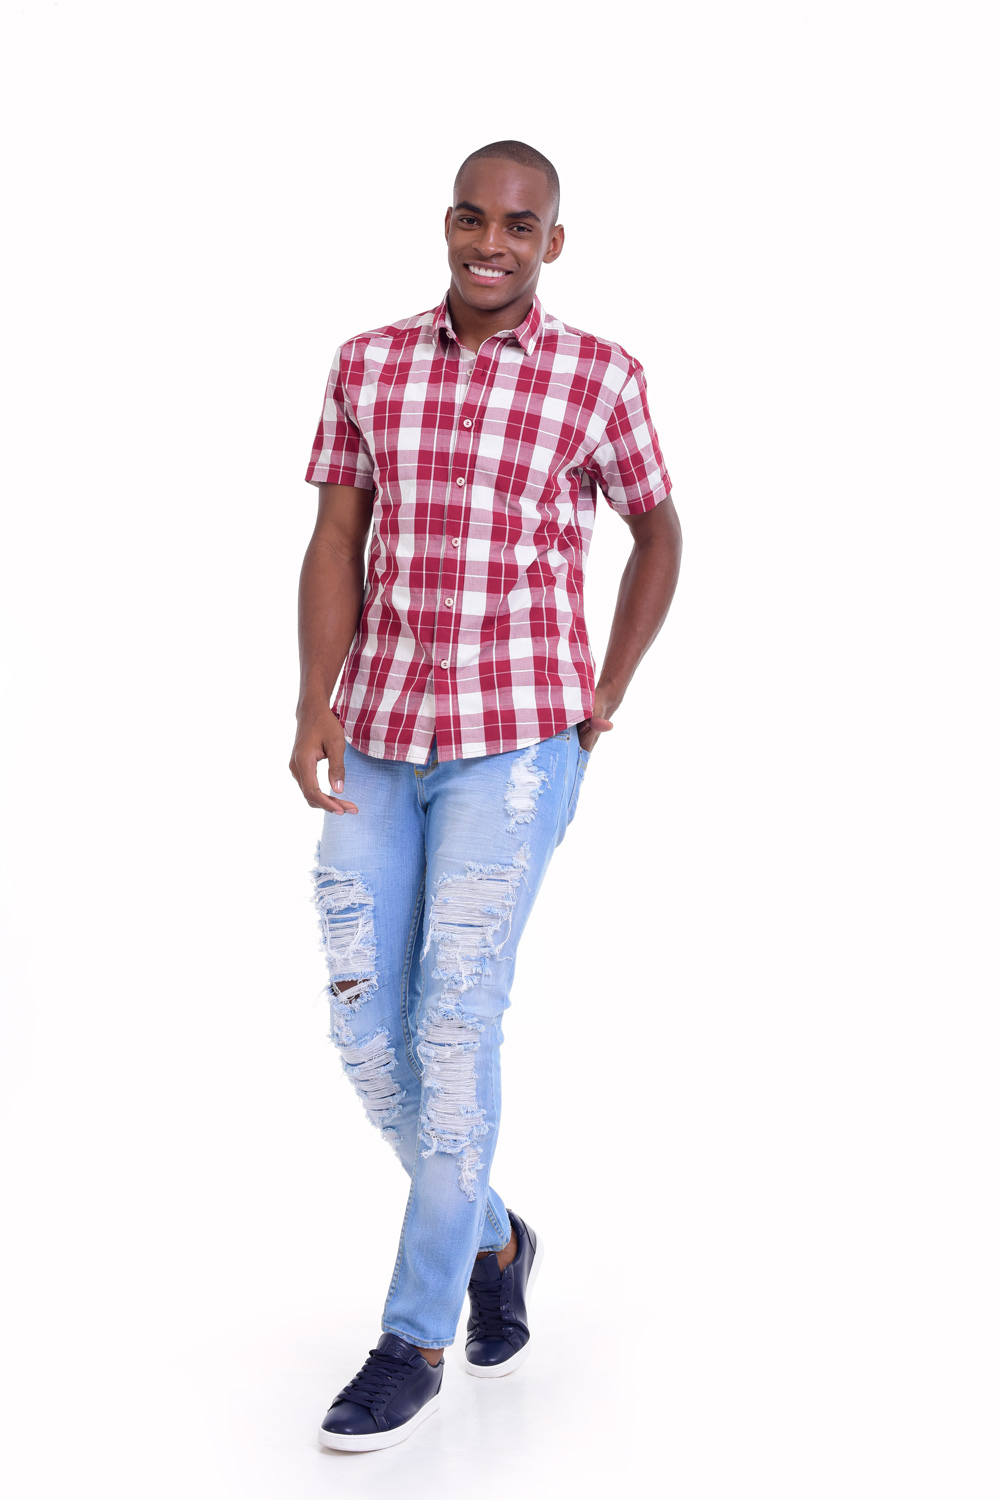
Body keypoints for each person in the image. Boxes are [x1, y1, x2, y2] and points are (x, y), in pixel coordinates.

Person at [290, 139, 683, 1452]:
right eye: (473, 218)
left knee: (454, 1028)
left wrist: (605, 687)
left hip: (515, 746)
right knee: (367, 1031)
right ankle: (498, 1236)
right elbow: (336, 535)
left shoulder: (599, 376)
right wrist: (313, 701)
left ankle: (413, 1336)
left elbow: (659, 529)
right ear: (448, 224)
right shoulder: (368, 362)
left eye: (520, 225)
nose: (492, 243)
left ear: (550, 242)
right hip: (378, 732)